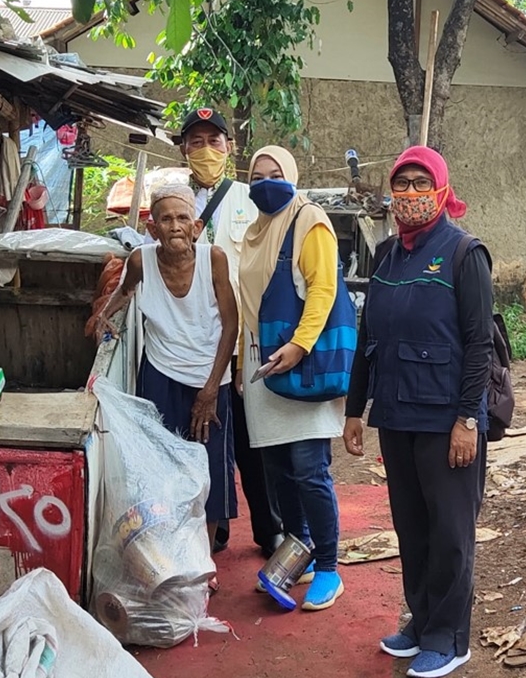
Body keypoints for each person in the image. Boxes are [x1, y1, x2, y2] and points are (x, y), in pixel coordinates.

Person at [343, 145, 493, 678]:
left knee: (451, 531)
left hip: (446, 418)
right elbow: (369, 337)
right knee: (411, 525)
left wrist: (468, 418)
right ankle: (421, 619)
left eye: (419, 183)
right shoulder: (386, 255)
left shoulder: (463, 253)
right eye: (401, 183)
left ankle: (449, 638)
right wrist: (356, 408)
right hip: (397, 415)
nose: (409, 194)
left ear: (442, 189)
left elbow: (480, 345)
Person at [97, 184, 240, 555]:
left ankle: (202, 558)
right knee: (160, 464)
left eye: (182, 218)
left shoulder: (215, 259)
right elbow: (125, 291)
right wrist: (102, 316)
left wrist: (210, 390)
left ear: (195, 226)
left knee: (209, 469)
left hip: (210, 377)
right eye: (165, 219)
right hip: (160, 373)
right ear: (152, 228)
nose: (174, 226)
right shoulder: (142, 260)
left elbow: (231, 324)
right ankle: (168, 550)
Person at [238, 144, 347, 611]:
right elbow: (247, 308)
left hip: (300, 363)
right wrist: (240, 366)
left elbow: (323, 289)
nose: (265, 182)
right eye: (257, 175)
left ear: (293, 176)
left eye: (275, 173)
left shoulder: (310, 221)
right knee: (278, 471)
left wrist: (300, 344)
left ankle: (328, 567)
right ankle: (296, 552)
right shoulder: (253, 232)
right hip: (262, 367)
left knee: (309, 469)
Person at [177, 109, 285, 559]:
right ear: (183, 148)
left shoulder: (248, 199)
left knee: (250, 441)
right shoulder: (173, 200)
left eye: (214, 141)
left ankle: (269, 528)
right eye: (196, 141)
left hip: (242, 342)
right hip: (191, 344)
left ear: (230, 147)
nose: (206, 150)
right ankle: (211, 528)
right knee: (197, 438)